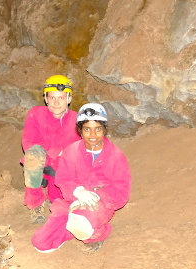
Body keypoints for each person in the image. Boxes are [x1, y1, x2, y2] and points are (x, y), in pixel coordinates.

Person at [31, 103, 131, 254]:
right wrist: (78, 192)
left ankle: (98, 233)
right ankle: (74, 225)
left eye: (97, 128)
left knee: (81, 223)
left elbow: (121, 190)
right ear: (80, 131)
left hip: (99, 203)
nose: (92, 134)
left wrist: (97, 196)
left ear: (104, 129)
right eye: (87, 129)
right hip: (71, 201)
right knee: (41, 242)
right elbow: (64, 179)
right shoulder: (71, 152)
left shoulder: (115, 155)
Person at [22, 75, 81, 224]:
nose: (56, 102)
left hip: (62, 167)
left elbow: (78, 149)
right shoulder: (36, 114)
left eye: (61, 98)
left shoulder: (76, 120)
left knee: (58, 201)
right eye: (52, 98)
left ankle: (53, 199)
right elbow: (29, 142)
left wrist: (58, 160)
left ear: (68, 99)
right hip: (43, 161)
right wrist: (52, 155)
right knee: (33, 157)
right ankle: (36, 204)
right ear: (46, 98)